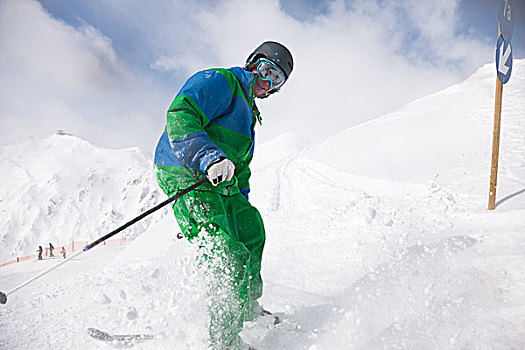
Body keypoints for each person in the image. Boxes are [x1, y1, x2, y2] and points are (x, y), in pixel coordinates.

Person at [154, 41, 293, 349]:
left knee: (252, 232)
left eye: (277, 80)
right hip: (184, 171)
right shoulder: (221, 81)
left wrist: (239, 202)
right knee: (227, 255)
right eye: (267, 71)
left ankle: (245, 309)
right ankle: (224, 341)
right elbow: (181, 113)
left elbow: (240, 169)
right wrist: (209, 157)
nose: (267, 83)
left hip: (218, 183)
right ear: (253, 63)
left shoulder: (249, 115)